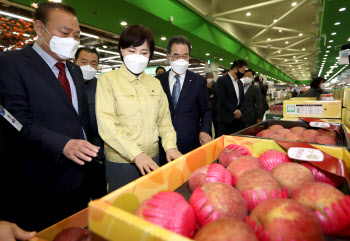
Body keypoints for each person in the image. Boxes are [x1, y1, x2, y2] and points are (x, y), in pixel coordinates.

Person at [0, 2, 99, 231]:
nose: (72, 41)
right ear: (39, 28)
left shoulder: (73, 70)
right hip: (40, 181)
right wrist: (62, 144)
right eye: (64, 33)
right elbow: (16, 120)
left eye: (76, 35)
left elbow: (79, 119)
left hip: (79, 178)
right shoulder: (10, 64)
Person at [96, 25, 182, 193]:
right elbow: (107, 125)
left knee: (150, 202)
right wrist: (136, 154)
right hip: (122, 162)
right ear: (121, 50)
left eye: (144, 53)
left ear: (150, 55)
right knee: (123, 210)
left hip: (152, 157)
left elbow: (164, 121)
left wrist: (170, 146)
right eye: (132, 51)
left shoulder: (155, 83)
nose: (138, 57)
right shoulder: (107, 81)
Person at [156, 35, 212, 164]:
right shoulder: (158, 81)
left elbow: (206, 111)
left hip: (191, 143)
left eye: (185, 56)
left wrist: (204, 131)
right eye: (176, 56)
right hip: (163, 145)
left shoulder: (199, 81)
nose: (181, 60)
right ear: (168, 57)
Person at [75, 47, 107, 199]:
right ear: (74, 62)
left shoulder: (103, 87)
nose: (89, 66)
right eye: (84, 61)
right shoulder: (66, 85)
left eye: (93, 63)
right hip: (71, 152)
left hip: (96, 153)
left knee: (99, 194)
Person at [216, 59, 247, 136]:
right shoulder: (222, 80)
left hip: (237, 120)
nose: (243, 74)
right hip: (225, 120)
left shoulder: (240, 83)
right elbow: (222, 99)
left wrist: (240, 111)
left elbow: (242, 99)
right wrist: (234, 111)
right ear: (235, 69)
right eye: (242, 71)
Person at [205, 71, 218, 138]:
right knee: (208, 125)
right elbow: (203, 95)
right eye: (207, 77)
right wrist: (209, 96)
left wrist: (210, 87)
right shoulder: (204, 85)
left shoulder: (216, 84)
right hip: (207, 108)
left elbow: (216, 94)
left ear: (213, 77)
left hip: (215, 108)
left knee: (216, 125)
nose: (209, 78)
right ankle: (209, 138)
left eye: (210, 77)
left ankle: (216, 138)